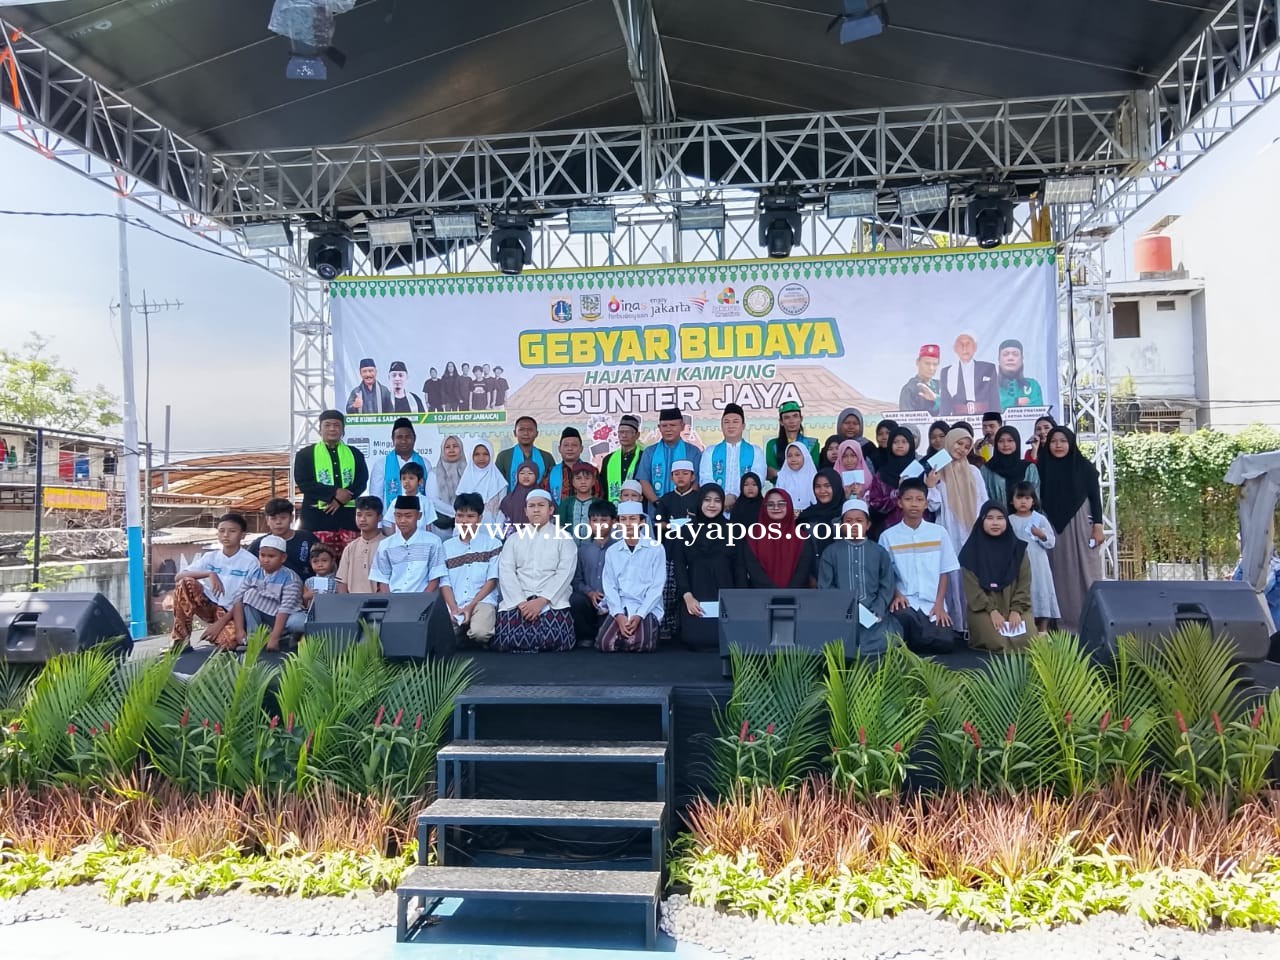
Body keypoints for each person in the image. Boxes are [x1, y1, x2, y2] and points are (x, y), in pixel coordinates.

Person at [494, 489, 578, 652]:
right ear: (525, 511)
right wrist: (521, 603)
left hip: (551, 600)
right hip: (520, 600)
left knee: (556, 637)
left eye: (541, 505)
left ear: (551, 509)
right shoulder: (513, 539)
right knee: (507, 638)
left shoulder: (564, 538)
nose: (536, 509)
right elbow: (506, 572)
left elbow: (565, 573)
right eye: (531, 506)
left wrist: (542, 600)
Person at [882, 479, 960, 655]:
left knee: (945, 642)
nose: (914, 504)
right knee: (903, 618)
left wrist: (939, 604)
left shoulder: (939, 533)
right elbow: (886, 573)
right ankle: (921, 637)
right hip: (905, 602)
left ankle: (919, 639)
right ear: (900, 502)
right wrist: (897, 594)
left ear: (926, 503)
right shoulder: (888, 536)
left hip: (932, 602)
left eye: (919, 499)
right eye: (909, 499)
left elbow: (944, 571)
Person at [1037, 426, 1104, 631]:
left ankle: (1087, 621)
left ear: (1071, 443)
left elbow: (1095, 498)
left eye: (1063, 441)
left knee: (1084, 569)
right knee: (1054, 572)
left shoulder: (1084, 468)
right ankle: (1056, 624)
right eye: (1054, 441)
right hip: (1049, 526)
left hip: (1079, 524)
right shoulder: (1041, 466)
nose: (1058, 445)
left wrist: (1098, 526)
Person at [816, 499, 897, 655]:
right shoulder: (830, 552)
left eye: (859, 521)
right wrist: (846, 609)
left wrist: (878, 609)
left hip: (874, 614)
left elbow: (887, 585)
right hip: (841, 614)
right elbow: (825, 587)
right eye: (848, 521)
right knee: (836, 643)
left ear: (868, 525)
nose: (854, 525)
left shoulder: (879, 552)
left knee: (885, 640)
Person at [924, 426, 985, 632]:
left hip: (971, 531)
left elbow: (983, 502)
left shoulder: (974, 472)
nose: (962, 449)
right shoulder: (937, 471)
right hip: (948, 530)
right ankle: (954, 625)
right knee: (950, 575)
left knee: (970, 576)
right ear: (949, 442)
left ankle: (972, 625)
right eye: (959, 443)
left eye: (967, 446)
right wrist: (931, 485)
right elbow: (933, 506)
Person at [170, 512, 256, 651]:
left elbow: (246, 599)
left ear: (243, 535)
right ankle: (180, 640)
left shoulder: (251, 562)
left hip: (231, 612)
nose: (226, 535)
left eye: (232, 531)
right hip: (208, 604)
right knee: (185, 583)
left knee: (229, 643)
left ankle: (218, 634)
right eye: (221, 531)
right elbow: (178, 577)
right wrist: (209, 573)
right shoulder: (210, 557)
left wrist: (220, 624)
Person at [959, 502, 1038, 652]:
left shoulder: (1018, 550)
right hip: (983, 609)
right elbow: (973, 590)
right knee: (997, 641)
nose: (995, 523)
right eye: (989, 518)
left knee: (1027, 640)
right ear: (982, 521)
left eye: (1000, 518)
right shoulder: (970, 552)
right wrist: (992, 611)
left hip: (1015, 606)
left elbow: (1024, 584)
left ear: (1006, 522)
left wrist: (1016, 610)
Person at [671, 484, 741, 651]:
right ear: (699, 502)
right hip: (694, 597)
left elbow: (739, 568)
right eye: (707, 500)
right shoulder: (687, 530)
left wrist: (737, 601)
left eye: (717, 501)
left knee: (726, 639)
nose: (712, 505)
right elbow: (679, 566)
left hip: (726, 598)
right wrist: (687, 597)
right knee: (695, 639)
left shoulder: (733, 530)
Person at [209, 535, 303, 654]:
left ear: (283, 558)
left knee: (298, 623)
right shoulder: (255, 573)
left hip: (287, 616)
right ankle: (254, 638)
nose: (265, 560)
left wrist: (274, 638)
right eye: (262, 555)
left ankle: (283, 636)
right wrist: (239, 630)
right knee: (247, 594)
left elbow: (285, 609)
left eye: (271, 556)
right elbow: (238, 597)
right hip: (267, 616)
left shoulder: (290, 578)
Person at [293, 410, 369, 550]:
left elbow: (362, 480)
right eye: (327, 425)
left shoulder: (355, 453)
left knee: (350, 564)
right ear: (320, 429)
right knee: (320, 564)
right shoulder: (305, 454)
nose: (332, 429)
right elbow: (304, 482)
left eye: (337, 425)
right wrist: (334, 492)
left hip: (348, 520)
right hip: (317, 520)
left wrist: (340, 499)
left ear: (343, 430)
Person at [596, 502, 665, 653]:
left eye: (632, 519)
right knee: (605, 644)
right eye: (624, 519)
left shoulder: (656, 548)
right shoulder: (612, 551)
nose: (628, 524)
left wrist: (640, 614)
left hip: (646, 607)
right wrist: (619, 615)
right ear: (618, 523)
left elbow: (656, 587)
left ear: (641, 522)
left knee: (642, 644)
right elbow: (610, 586)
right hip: (621, 605)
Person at [440, 493, 502, 647]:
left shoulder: (493, 544)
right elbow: (444, 582)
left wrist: (470, 607)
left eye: (470, 516)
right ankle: (463, 633)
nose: (464, 521)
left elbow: (492, 581)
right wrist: (454, 608)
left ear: (480, 518)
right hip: (455, 603)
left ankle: (469, 634)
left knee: (481, 633)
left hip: (482, 601)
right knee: (442, 636)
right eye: (460, 516)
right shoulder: (446, 547)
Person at [369, 496, 447, 594]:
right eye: (398, 516)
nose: (402, 520)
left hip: (423, 600)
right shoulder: (385, 545)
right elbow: (382, 579)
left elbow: (435, 577)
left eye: (408, 516)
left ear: (419, 516)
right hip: (394, 601)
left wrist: (421, 600)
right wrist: (391, 601)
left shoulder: (433, 542)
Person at [1008, 481, 1059, 630]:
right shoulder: (1010, 520)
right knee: (1024, 592)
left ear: (1033, 500)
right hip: (1018, 565)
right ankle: (1026, 630)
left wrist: (1041, 535)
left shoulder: (1040, 519)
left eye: (1027, 498)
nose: (1023, 501)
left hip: (1039, 565)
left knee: (1041, 591)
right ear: (1012, 500)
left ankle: (1042, 631)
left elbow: (1051, 542)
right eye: (1019, 497)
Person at [739, 489, 812, 588]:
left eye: (781, 504)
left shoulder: (801, 538)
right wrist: (772, 592)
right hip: (761, 598)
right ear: (764, 507)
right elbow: (754, 569)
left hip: (795, 599)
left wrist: (787, 595)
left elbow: (802, 572)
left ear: (789, 506)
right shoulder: (753, 536)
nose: (776, 508)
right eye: (770, 504)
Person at [570, 499, 618, 647]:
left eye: (604, 520)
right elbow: (577, 581)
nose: (599, 525)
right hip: (589, 601)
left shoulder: (619, 550)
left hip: (613, 602)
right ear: (589, 522)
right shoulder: (583, 550)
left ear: (613, 522)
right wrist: (590, 593)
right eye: (595, 520)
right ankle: (586, 636)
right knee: (575, 599)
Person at [700, 404, 765, 512]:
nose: (731, 425)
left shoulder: (756, 451)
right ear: (721, 426)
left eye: (735, 421)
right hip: (716, 509)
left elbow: (758, 480)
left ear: (743, 426)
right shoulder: (710, 452)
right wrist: (721, 499)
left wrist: (734, 498)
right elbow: (705, 479)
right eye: (726, 422)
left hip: (747, 508)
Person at [637, 407, 702, 513]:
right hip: (656, 510)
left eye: (673, 425)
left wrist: (684, 501)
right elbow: (643, 480)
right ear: (659, 427)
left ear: (682, 426)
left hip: (685, 509)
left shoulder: (693, 452)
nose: (668, 429)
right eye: (664, 426)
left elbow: (697, 480)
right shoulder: (649, 452)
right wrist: (658, 503)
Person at [249, 498, 319, 581]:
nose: (278, 522)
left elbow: (325, 567)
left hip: (307, 590)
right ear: (267, 520)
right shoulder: (258, 545)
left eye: (283, 517)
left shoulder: (308, 538)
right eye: (273, 518)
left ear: (291, 518)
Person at [866, 426, 920, 535]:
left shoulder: (919, 470)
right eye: (895, 442)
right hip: (888, 529)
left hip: (917, 529)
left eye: (904, 442)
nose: (900, 445)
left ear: (911, 444)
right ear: (890, 445)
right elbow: (875, 504)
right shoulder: (882, 473)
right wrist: (897, 492)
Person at [370, 418, 429, 512]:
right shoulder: (381, 464)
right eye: (399, 437)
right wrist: (379, 525)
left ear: (414, 438)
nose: (404, 441)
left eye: (408, 437)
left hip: (419, 520)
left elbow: (429, 495)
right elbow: (376, 498)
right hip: (390, 521)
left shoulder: (425, 463)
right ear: (393, 439)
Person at [940, 332, 998, 416]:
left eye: (968, 344)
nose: (964, 348)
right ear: (955, 348)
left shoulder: (988, 368)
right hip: (958, 420)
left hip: (985, 418)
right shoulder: (947, 372)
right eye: (961, 344)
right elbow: (945, 404)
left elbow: (994, 399)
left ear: (975, 347)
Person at [336, 496, 385, 594]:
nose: (362, 519)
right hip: (352, 605)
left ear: (379, 517)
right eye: (359, 515)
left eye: (369, 515)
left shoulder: (387, 545)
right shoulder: (350, 548)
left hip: (380, 604)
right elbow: (342, 583)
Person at [798, 468, 844, 569]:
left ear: (836, 486)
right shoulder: (807, 515)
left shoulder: (847, 514)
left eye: (827, 486)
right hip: (816, 573)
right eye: (818, 486)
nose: (822, 491)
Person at [983, 425, 1040, 508]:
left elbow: (1035, 498)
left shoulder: (1029, 469)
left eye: (1010, 440)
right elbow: (984, 499)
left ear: (1017, 442)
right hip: (997, 518)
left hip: (1024, 518)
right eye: (1001, 441)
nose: (1005, 444)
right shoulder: (987, 469)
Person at [495, 416, 556, 491]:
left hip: (540, 501)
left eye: (530, 430)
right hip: (511, 501)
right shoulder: (504, 456)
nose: (526, 433)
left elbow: (553, 485)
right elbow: (497, 485)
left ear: (536, 433)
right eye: (521, 430)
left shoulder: (546, 457)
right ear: (515, 433)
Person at [764, 400, 820, 479]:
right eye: (787, 417)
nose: (791, 421)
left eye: (795, 416)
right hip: (780, 489)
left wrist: (779, 473)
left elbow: (811, 472)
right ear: (781, 422)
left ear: (801, 419)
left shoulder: (813, 444)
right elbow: (771, 474)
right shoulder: (772, 445)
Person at [290, 544, 338, 634]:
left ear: (332, 561)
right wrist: (307, 596)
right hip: (311, 614)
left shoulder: (337, 581)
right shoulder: (309, 581)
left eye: (324, 561)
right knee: (294, 621)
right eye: (315, 561)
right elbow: (303, 601)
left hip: (331, 613)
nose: (320, 564)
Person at [425, 435, 467, 536]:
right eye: (447, 447)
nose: (451, 450)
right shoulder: (434, 473)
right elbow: (433, 500)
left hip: (467, 524)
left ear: (461, 449)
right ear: (442, 450)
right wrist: (456, 513)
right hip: (442, 525)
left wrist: (464, 516)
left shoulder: (469, 472)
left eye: (455, 446)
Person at [378, 462, 437, 533]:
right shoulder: (396, 501)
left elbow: (428, 527)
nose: (407, 482)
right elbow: (392, 524)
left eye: (411, 478)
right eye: (404, 478)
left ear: (420, 481)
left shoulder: (426, 502)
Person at [457, 439, 507, 522]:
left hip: (492, 529)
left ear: (491, 455)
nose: (481, 458)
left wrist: (497, 532)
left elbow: (502, 510)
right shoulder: (465, 481)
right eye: (477, 454)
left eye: (485, 454)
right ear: (471, 456)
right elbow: (460, 510)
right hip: (468, 529)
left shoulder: (499, 482)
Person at [548, 427, 600, 502]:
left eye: (574, 445)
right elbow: (545, 498)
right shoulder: (550, 472)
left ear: (581, 448)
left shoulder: (592, 471)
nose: (570, 449)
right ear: (559, 449)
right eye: (566, 445)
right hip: (558, 513)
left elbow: (599, 496)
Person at [600, 414, 644, 502]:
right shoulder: (608, 459)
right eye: (621, 432)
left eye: (628, 432)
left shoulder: (644, 457)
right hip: (613, 510)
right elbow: (603, 488)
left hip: (638, 509)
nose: (624, 435)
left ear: (637, 435)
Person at [996, 338, 1044, 410]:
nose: (1010, 358)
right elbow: (988, 407)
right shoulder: (989, 387)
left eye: (1015, 354)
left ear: (1022, 359)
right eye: (1005, 354)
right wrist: (1016, 402)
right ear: (999, 359)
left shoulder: (1032, 385)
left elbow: (1037, 411)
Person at [557, 462, 602, 536]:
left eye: (587, 478)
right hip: (568, 545)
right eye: (578, 478)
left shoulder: (600, 504)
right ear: (573, 482)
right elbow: (559, 527)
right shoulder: (566, 503)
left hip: (593, 546)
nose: (583, 482)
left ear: (593, 481)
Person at [898, 343, 942, 413]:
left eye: (935, 364)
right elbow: (906, 419)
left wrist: (936, 398)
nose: (931, 368)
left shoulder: (941, 385)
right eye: (927, 363)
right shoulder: (909, 389)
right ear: (918, 362)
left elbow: (952, 408)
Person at [654, 459, 700, 527]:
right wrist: (671, 526)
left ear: (692, 477)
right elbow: (658, 523)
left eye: (685, 473)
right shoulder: (666, 498)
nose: (680, 477)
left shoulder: (699, 498)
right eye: (676, 474)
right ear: (672, 478)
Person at [774, 440, 818, 511]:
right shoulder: (782, 476)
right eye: (789, 456)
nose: (793, 459)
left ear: (805, 456)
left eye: (797, 455)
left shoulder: (813, 476)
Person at [498, 462, 540, 529]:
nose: (526, 476)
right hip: (513, 536)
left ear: (536, 475)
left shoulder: (542, 498)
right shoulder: (509, 500)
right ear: (517, 475)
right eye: (522, 473)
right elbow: (503, 523)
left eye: (530, 473)